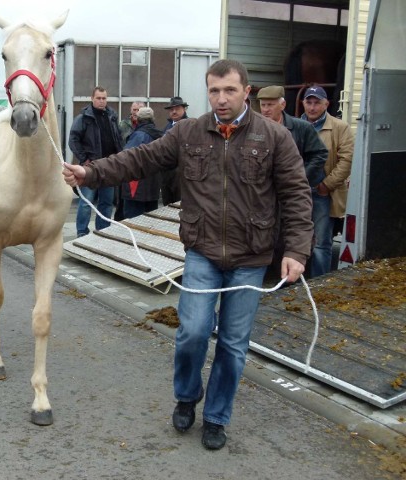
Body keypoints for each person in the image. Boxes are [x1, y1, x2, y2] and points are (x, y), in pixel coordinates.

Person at [62, 59, 313, 451]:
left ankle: (216, 417)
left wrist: (297, 250)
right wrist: (90, 173)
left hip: (252, 257)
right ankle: (186, 395)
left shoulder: (274, 138)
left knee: (232, 343)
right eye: (214, 90)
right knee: (193, 332)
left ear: (246, 91)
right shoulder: (190, 133)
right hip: (202, 252)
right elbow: (140, 158)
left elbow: (298, 195)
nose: (221, 98)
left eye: (229, 90)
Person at [257, 86, 328, 278]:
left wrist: (301, 179)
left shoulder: (301, 128)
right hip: (265, 196)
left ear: (283, 104)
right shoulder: (254, 129)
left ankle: (296, 278)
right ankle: (268, 276)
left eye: (270, 105)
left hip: (292, 195)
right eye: (262, 105)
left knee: (295, 235)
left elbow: (320, 154)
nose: (265, 109)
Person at [301, 85, 354, 275]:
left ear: (326, 104)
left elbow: (347, 160)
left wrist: (326, 185)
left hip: (321, 193)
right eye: (309, 102)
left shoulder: (340, 128)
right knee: (293, 239)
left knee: (321, 243)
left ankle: (319, 284)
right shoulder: (295, 126)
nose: (312, 107)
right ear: (303, 103)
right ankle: (291, 283)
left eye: (317, 103)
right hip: (297, 193)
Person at [68, 86, 123, 236]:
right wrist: (84, 159)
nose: (101, 101)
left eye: (104, 98)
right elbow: (73, 140)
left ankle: (102, 233)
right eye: (98, 98)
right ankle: (82, 234)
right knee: (86, 202)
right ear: (92, 99)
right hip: (90, 168)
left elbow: (117, 137)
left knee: (106, 203)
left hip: (109, 167)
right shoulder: (83, 118)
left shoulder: (111, 116)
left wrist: (120, 157)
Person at [121, 107, 162, 218]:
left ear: (138, 120)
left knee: (133, 220)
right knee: (150, 221)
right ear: (152, 119)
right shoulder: (160, 135)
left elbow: (127, 158)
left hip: (136, 187)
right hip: (153, 187)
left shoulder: (138, 135)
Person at [160, 96, 189, 206]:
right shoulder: (167, 127)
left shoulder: (190, 125)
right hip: (166, 173)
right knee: (167, 205)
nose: (174, 111)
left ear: (184, 109)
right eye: (171, 109)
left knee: (180, 206)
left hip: (181, 173)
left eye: (177, 108)